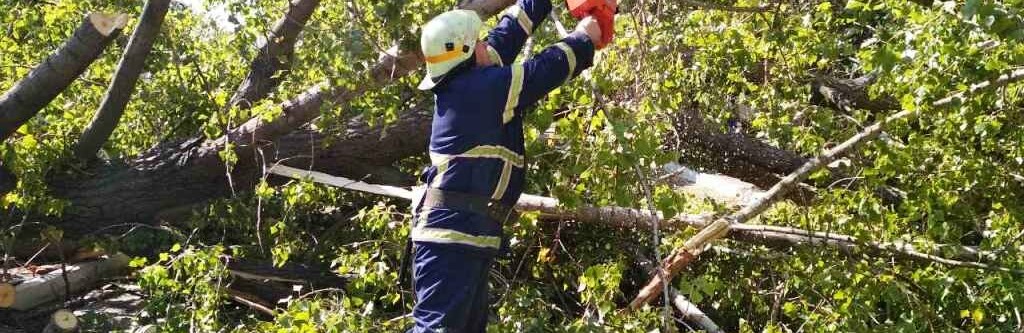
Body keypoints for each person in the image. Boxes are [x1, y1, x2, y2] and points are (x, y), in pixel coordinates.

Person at [409, 0, 607, 331]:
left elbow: (509, 32)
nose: (488, 43)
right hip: (451, 239)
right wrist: (584, 38)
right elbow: (543, 71)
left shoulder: (471, 76)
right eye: (480, 41)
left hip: (466, 237)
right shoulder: (481, 90)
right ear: (469, 52)